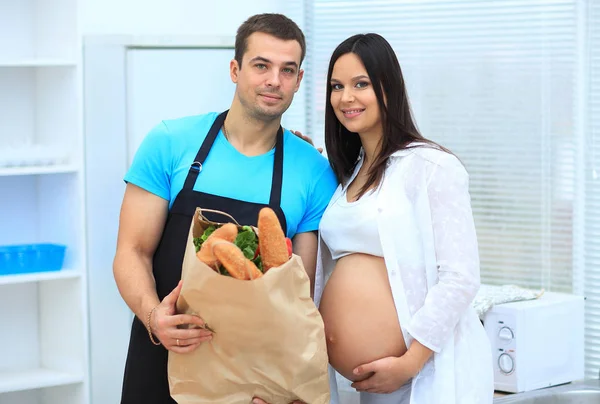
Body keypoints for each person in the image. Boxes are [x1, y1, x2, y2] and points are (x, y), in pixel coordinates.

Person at [112, 13, 338, 404]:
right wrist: (154, 318)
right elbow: (131, 252)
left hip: (252, 378)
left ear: (299, 81)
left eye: (288, 70)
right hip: (162, 353)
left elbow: (296, 297)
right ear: (235, 69)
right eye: (261, 65)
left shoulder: (314, 172)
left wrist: (282, 382)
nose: (274, 81)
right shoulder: (170, 142)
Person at [310, 33, 494, 404]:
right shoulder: (349, 173)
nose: (346, 98)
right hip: (364, 387)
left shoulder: (430, 166)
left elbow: (460, 277)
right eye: (337, 86)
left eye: (360, 84)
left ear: (388, 88)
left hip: (421, 377)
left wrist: (410, 363)